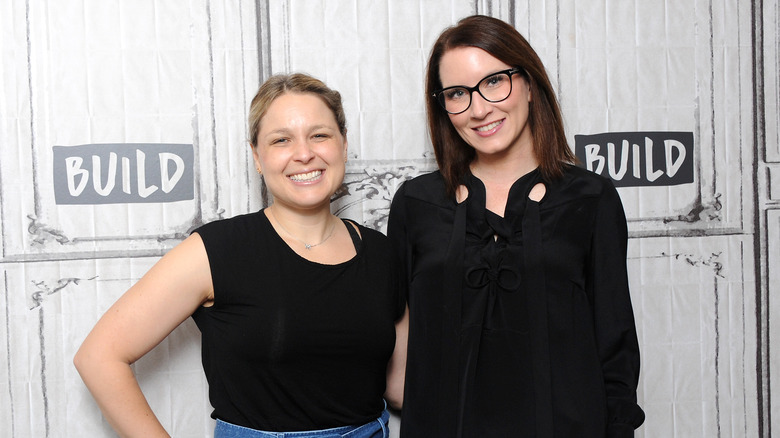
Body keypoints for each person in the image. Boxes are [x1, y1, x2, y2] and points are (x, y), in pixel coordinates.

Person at [74, 73, 408, 438]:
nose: (304, 153)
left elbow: (400, 387)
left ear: (343, 145)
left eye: (320, 135)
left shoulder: (382, 252)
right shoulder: (219, 249)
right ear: (258, 157)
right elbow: (98, 358)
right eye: (282, 140)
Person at [388, 15, 644, 437]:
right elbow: (391, 336)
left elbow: (615, 345)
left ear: (528, 82)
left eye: (494, 82)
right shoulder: (416, 203)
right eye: (457, 94)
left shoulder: (591, 198)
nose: (479, 108)